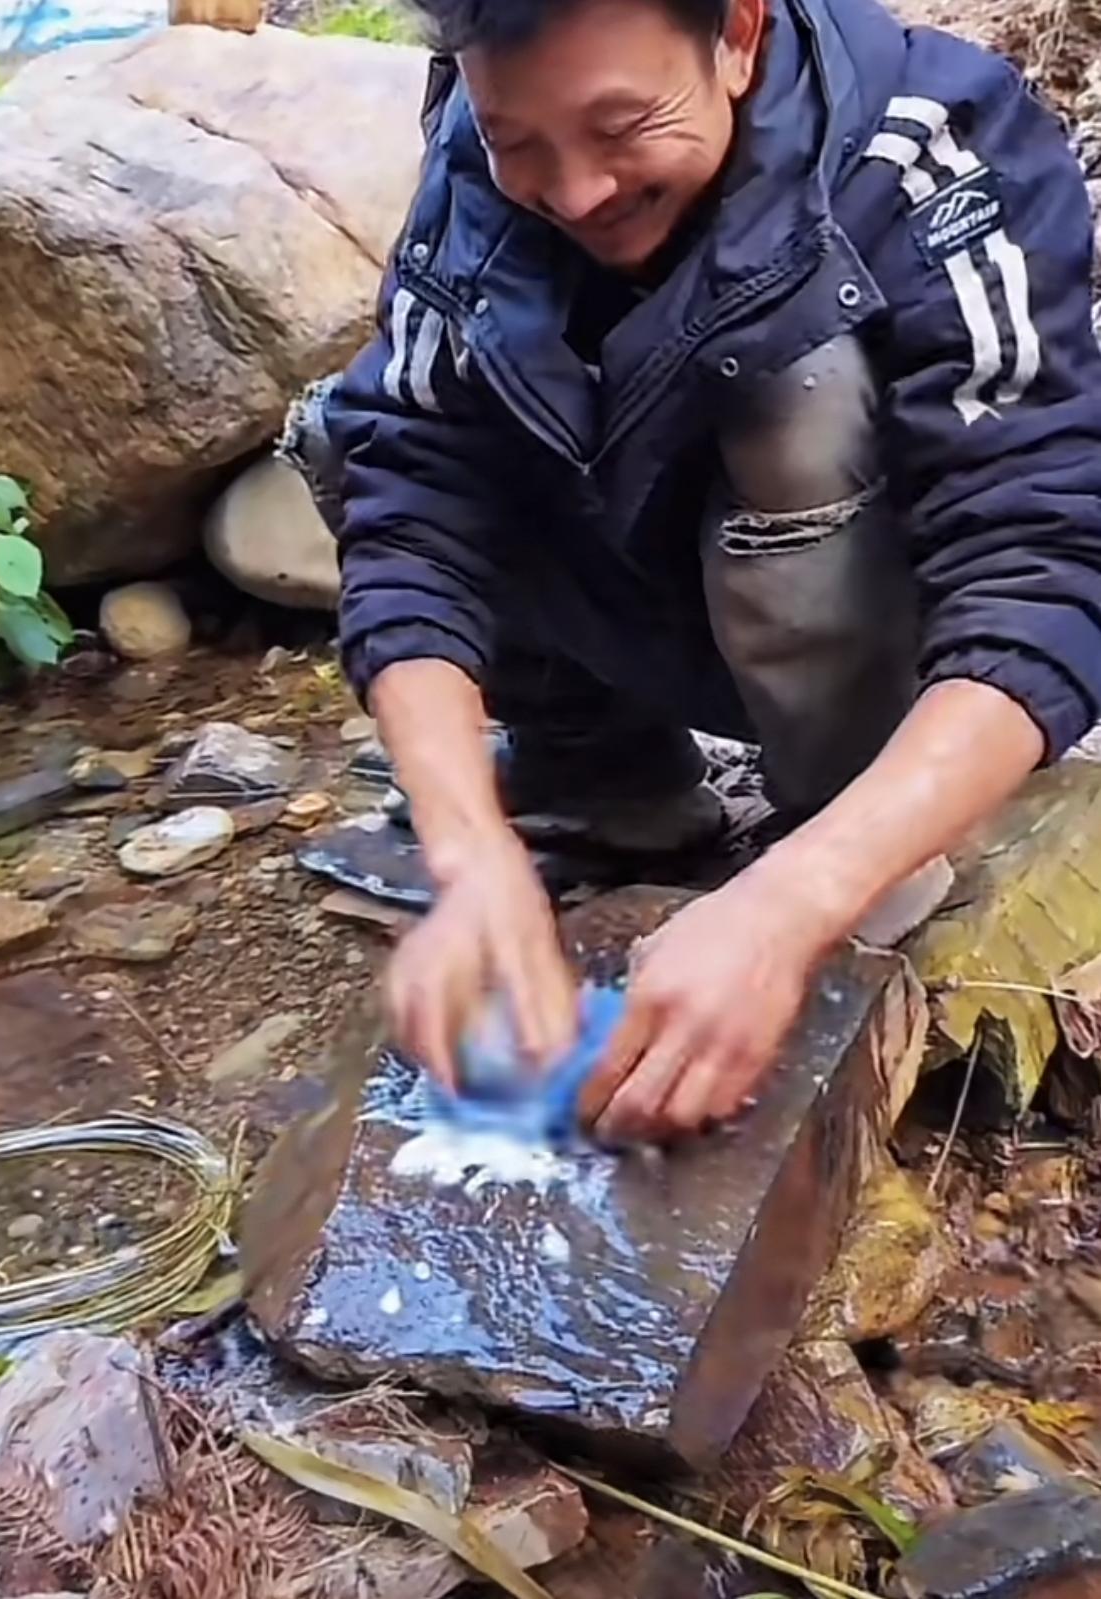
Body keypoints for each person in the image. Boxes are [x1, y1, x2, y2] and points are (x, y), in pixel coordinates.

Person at [322, 0, 1101, 1141]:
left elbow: (1044, 563)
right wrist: (468, 849)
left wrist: (792, 902)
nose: (577, 191)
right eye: (520, 141)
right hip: (659, 582)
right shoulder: (478, 151)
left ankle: (859, 822)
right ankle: (608, 783)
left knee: (802, 396)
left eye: (623, 125)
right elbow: (414, 492)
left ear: (736, 34)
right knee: (352, 428)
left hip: (866, 622)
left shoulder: (936, 145)